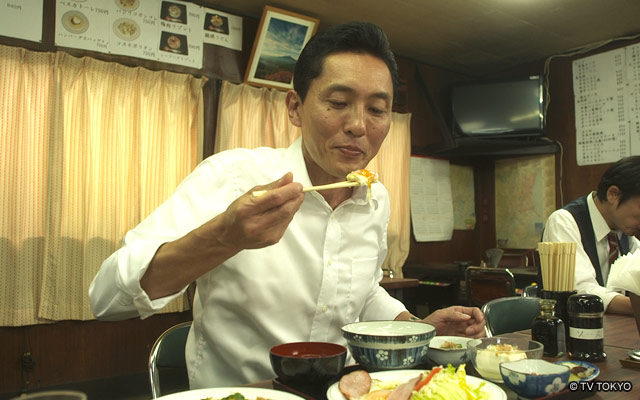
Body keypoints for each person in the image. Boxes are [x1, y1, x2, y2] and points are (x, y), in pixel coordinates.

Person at [89, 21, 485, 388]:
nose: (359, 125)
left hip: (338, 391)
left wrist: (414, 327)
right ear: (295, 107)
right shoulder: (234, 176)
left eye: (377, 110)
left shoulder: (374, 198)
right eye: (339, 102)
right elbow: (107, 300)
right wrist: (224, 237)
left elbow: (363, 294)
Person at [542, 156, 640, 314]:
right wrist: (635, 307)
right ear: (613, 194)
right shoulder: (564, 222)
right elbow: (582, 291)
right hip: (572, 331)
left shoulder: (625, 230)